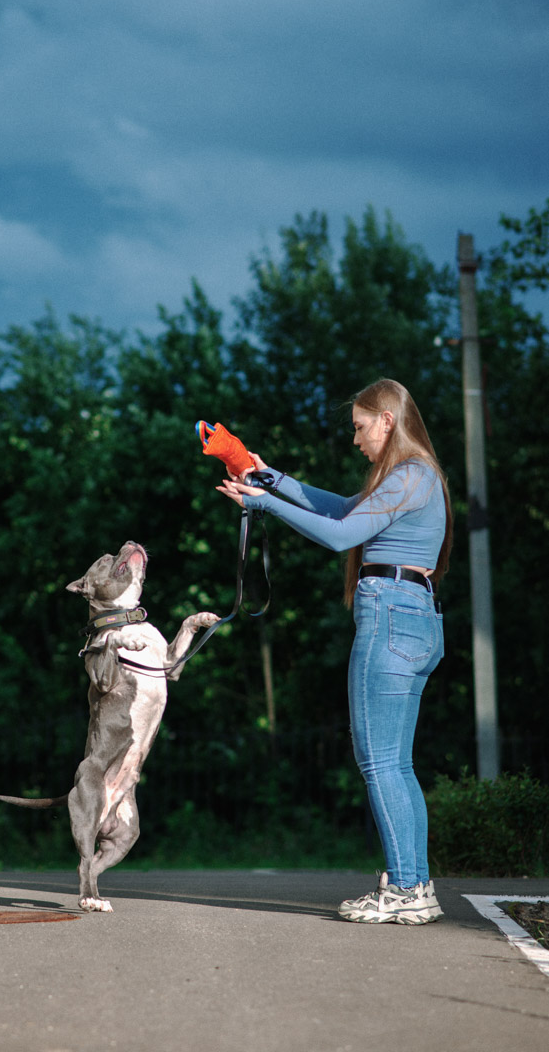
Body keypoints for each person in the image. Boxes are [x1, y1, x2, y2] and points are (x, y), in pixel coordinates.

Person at [216, 378, 452, 925]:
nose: (355, 440)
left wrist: (264, 505)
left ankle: (409, 888)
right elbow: (344, 508)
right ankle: (415, 886)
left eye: (360, 427)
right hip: (413, 615)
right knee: (398, 764)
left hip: (391, 613)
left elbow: (342, 535)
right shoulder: (412, 478)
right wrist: (263, 474)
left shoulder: (411, 474)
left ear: (387, 421)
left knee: (380, 762)